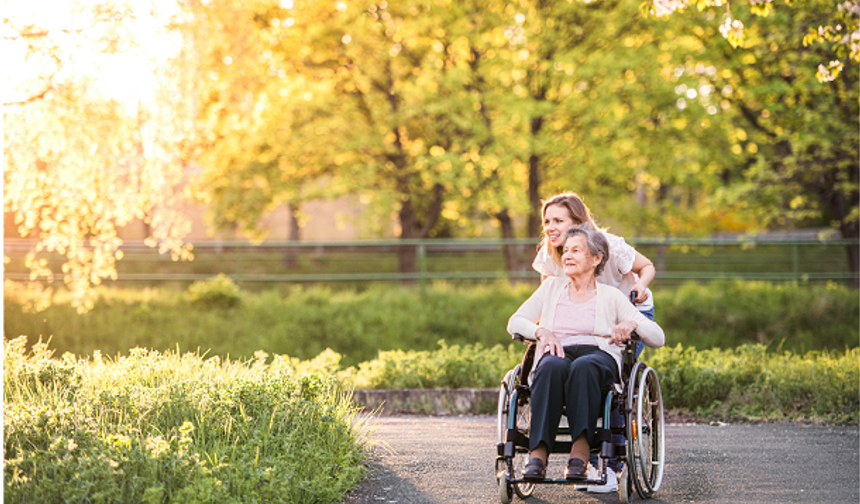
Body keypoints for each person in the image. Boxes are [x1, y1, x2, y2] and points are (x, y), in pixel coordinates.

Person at [507, 224, 665, 486]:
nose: (567, 255)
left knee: (584, 367)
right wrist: (542, 331)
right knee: (549, 368)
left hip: (598, 355)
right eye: (565, 250)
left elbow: (658, 337)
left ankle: (580, 452)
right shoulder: (551, 288)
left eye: (576, 250)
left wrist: (633, 324)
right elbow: (515, 321)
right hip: (557, 350)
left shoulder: (611, 296)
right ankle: (538, 454)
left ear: (596, 258)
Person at [533, 192, 656, 325]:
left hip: (630, 312)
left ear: (577, 224)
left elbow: (647, 266)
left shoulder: (610, 245)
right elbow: (546, 298)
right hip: (590, 315)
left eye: (558, 221)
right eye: (547, 222)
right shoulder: (548, 253)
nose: (550, 228)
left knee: (611, 345)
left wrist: (641, 285)